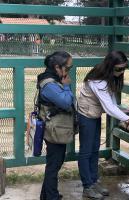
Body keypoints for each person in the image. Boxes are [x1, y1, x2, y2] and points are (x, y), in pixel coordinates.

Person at [77, 51, 129, 199]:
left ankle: (94, 181)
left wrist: (121, 110)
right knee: (86, 151)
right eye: (118, 69)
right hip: (86, 115)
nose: (121, 72)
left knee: (95, 149)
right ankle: (87, 186)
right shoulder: (97, 80)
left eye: (123, 68)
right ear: (110, 66)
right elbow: (108, 107)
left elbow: (111, 99)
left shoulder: (107, 76)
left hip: (94, 114)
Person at [38, 51, 75, 200]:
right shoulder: (50, 85)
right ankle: (52, 197)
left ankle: (46, 195)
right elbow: (66, 103)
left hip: (57, 129)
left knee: (54, 163)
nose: (69, 71)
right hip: (54, 131)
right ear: (57, 67)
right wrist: (66, 87)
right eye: (68, 68)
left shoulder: (52, 79)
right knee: (54, 165)